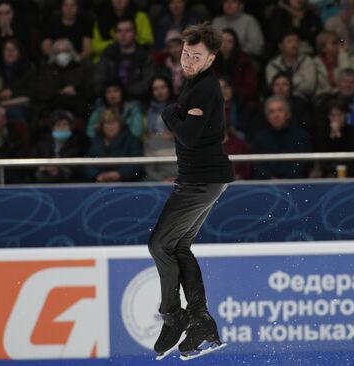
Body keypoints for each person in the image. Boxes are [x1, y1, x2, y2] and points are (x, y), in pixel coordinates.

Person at [148, 23, 234, 360]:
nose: (188, 61)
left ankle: (174, 315)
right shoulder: (195, 83)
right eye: (185, 54)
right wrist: (178, 114)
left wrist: (170, 113)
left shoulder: (204, 89)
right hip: (203, 179)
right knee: (178, 246)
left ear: (211, 59)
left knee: (158, 245)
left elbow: (189, 136)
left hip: (201, 180)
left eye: (196, 57)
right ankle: (200, 321)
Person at [93, 18, 156, 102]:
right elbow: (98, 81)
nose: (123, 35)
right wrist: (112, 93)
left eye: (127, 31)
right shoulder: (107, 54)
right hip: (109, 101)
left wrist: (123, 93)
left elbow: (148, 83)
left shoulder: (145, 56)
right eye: (119, 31)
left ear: (135, 34)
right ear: (115, 34)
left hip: (138, 101)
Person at [251, 96, 313, 179]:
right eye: (271, 112)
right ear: (267, 117)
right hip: (267, 185)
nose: (276, 115)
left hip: (295, 184)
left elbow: (303, 164)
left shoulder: (301, 136)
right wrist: (270, 178)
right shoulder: (260, 138)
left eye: (280, 110)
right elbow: (257, 166)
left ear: (288, 114)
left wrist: (286, 180)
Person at [0, 38, 36, 123]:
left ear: (19, 52)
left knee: (16, 114)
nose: (10, 52)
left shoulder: (29, 69)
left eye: (14, 49)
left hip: (20, 106)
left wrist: (12, 92)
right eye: (7, 49)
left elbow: (33, 92)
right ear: (2, 52)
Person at [35, 38, 94, 119]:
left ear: (71, 52)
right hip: (53, 105)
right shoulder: (47, 70)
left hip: (79, 103)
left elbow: (91, 88)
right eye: (58, 52)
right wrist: (59, 92)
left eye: (65, 51)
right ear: (53, 55)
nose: (62, 54)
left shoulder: (82, 68)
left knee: (88, 108)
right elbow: (41, 91)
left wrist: (76, 89)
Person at [265, 31, 329, 101]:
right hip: (278, 101)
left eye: (296, 41)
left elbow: (310, 87)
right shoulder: (272, 65)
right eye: (289, 41)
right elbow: (273, 88)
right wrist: (299, 80)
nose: (294, 44)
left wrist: (286, 85)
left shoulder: (307, 61)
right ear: (281, 45)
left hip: (303, 100)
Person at [85, 109, 144, 182]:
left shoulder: (131, 140)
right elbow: (88, 164)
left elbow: (138, 164)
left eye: (114, 123)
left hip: (126, 183)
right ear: (102, 126)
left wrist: (120, 174)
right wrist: (96, 175)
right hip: (100, 183)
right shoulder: (96, 141)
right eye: (107, 123)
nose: (110, 127)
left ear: (120, 124)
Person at [32, 109, 88, 183]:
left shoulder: (80, 142)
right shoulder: (43, 142)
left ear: (71, 127)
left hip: (71, 180)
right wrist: (44, 167)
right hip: (44, 179)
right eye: (58, 125)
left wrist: (59, 168)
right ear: (52, 127)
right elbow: (33, 159)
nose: (62, 128)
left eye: (65, 124)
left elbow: (80, 166)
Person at [310, 100, 354, 178]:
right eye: (332, 115)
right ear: (328, 116)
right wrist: (333, 135)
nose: (336, 119)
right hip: (326, 171)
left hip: (348, 170)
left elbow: (350, 154)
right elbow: (323, 153)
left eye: (339, 115)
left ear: (345, 115)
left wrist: (338, 135)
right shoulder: (322, 132)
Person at [143, 75, 178, 181]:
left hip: (175, 148)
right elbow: (144, 136)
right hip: (154, 149)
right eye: (155, 89)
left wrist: (174, 135)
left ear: (169, 88)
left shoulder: (179, 108)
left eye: (163, 87)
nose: (159, 92)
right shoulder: (146, 111)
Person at [212, 28, 258, 103]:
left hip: (241, 100)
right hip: (215, 98)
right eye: (222, 41)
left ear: (235, 44)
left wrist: (233, 92)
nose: (225, 44)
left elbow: (251, 87)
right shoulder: (211, 60)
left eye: (229, 41)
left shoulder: (244, 61)